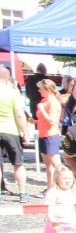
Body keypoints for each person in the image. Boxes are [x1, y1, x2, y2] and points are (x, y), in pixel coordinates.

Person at [0, 66, 30, 203]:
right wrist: (25, 131)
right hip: (11, 130)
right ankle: (22, 192)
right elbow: (19, 115)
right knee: (18, 163)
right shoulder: (13, 93)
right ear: (8, 77)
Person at [35, 78, 63, 174]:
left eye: (41, 89)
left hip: (50, 135)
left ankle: (66, 185)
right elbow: (44, 119)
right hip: (43, 134)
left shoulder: (53, 102)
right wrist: (35, 121)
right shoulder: (44, 100)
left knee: (56, 164)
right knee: (48, 165)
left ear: (47, 90)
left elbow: (52, 121)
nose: (39, 91)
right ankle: (50, 187)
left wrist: (42, 110)